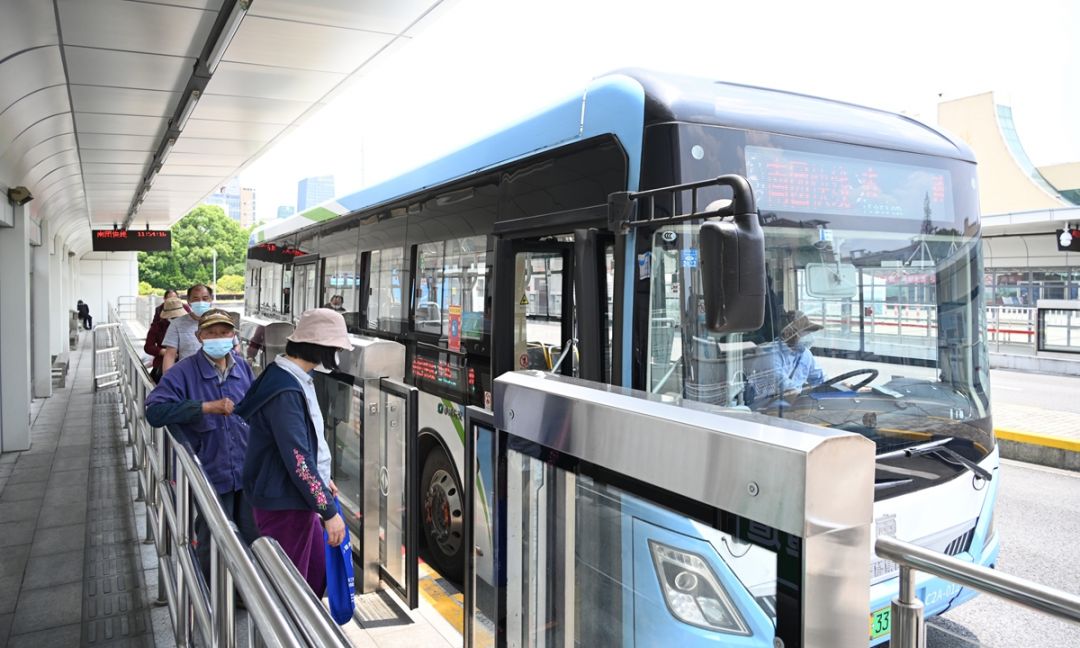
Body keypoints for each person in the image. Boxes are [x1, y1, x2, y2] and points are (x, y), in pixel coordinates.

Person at [237, 309, 352, 596]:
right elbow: (298, 458)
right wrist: (328, 511)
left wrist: (322, 481)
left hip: (293, 497)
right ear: (319, 347)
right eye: (335, 348)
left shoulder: (287, 376)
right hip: (284, 503)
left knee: (315, 572)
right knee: (291, 590)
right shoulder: (285, 390)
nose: (337, 354)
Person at [145, 309, 259, 581]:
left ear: (233, 337)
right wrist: (204, 408)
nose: (218, 338)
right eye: (211, 333)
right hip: (209, 471)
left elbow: (255, 410)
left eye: (224, 332)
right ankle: (211, 596)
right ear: (199, 337)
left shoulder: (242, 367)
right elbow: (154, 411)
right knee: (212, 537)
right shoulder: (183, 372)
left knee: (251, 534)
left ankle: (245, 593)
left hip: (244, 470)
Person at [749, 311, 825, 403]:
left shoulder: (805, 353)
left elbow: (819, 378)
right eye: (804, 332)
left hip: (794, 403)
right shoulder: (770, 355)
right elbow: (786, 389)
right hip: (768, 406)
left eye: (809, 332)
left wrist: (837, 386)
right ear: (788, 333)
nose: (809, 336)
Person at [162, 284, 215, 373]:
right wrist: (167, 381)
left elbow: (234, 346)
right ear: (189, 301)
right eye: (196, 299)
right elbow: (170, 355)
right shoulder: (177, 324)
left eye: (205, 298)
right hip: (188, 377)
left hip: (216, 377)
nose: (201, 302)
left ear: (211, 300)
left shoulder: (221, 321)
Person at [145, 297, 186, 383]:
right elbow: (148, 347)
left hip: (185, 365)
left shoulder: (188, 326)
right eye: (173, 316)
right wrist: (164, 352)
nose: (175, 318)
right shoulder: (157, 327)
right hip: (162, 365)